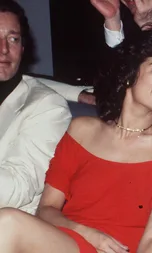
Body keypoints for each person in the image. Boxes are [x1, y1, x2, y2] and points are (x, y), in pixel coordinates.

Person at [0, 28, 152, 253]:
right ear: (128, 73)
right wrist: (88, 234)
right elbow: (47, 209)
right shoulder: (82, 130)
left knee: (7, 223)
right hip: (64, 242)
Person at [0, 0, 75, 214]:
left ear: (22, 48)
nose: (4, 49)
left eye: (12, 39)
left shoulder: (48, 107)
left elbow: (20, 186)